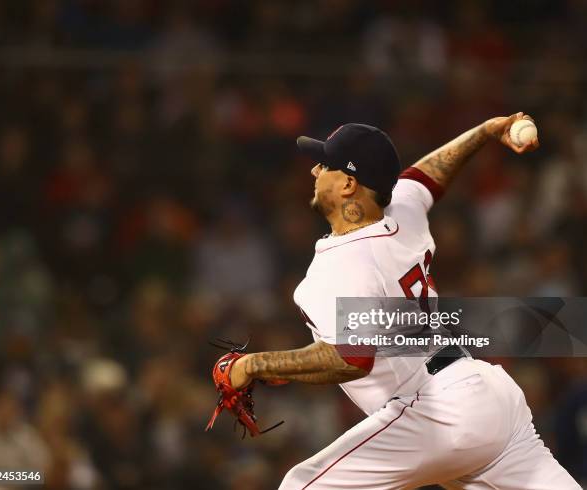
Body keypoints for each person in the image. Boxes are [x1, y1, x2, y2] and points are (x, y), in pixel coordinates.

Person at [227, 114, 581, 489]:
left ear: (348, 184)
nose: (315, 170)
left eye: (325, 165)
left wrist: (254, 364)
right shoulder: (402, 210)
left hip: (436, 410)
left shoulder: (343, 262)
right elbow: (429, 174)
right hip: (492, 398)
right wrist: (485, 131)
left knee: (300, 486)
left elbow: (352, 359)